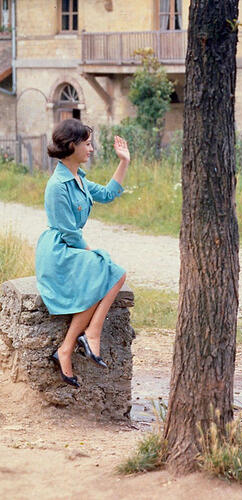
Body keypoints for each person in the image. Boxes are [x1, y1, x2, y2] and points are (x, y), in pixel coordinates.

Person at [36, 119, 130, 387]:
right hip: (58, 253)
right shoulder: (57, 185)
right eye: (87, 144)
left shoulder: (80, 178)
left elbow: (109, 194)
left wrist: (124, 161)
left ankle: (75, 343)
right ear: (72, 145)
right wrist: (94, 255)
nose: (91, 149)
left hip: (70, 249)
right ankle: (87, 337)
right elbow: (69, 233)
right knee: (106, 269)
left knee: (114, 272)